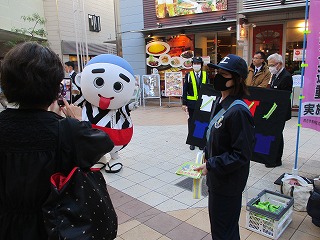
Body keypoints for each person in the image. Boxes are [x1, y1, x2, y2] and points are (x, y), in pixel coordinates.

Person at [0, 42, 114, 239]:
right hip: (56, 225)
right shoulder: (67, 129)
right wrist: (76, 120)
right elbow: (104, 145)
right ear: (55, 87)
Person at [194, 54, 255, 240]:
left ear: (236, 80)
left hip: (229, 183)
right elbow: (216, 136)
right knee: (220, 227)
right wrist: (206, 155)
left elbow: (241, 154)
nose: (217, 77)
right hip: (217, 179)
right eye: (217, 72)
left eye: (224, 74)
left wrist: (212, 164)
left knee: (224, 231)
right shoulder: (219, 101)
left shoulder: (238, 112)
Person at [266, 53, 293, 167]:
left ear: (279, 64)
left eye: (272, 65)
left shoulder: (286, 76)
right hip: (273, 109)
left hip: (281, 111)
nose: (270, 68)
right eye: (269, 66)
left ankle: (277, 159)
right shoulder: (275, 75)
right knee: (273, 133)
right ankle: (271, 156)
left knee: (277, 134)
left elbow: (282, 96)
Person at [182, 56, 209, 150]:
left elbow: (209, 90)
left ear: (201, 65)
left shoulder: (206, 75)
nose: (196, 65)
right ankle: (192, 142)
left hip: (203, 104)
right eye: (195, 64)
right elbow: (185, 90)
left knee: (201, 122)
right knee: (192, 122)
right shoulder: (188, 75)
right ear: (192, 65)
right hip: (191, 104)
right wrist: (184, 103)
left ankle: (200, 142)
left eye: (198, 64)